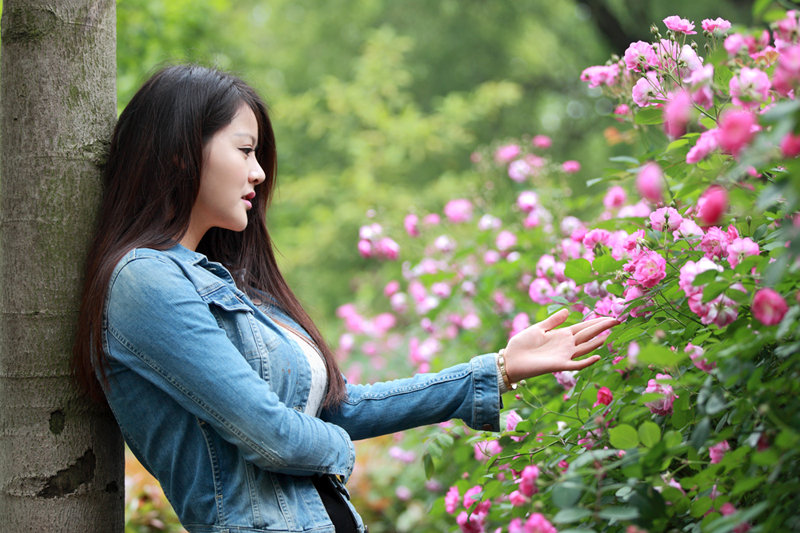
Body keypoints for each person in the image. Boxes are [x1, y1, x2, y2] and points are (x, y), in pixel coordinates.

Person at [72, 64, 617, 533]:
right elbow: (275, 438)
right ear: (178, 155)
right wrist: (341, 452)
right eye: (244, 150)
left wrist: (498, 368)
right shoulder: (145, 283)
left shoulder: (225, 281)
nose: (259, 173)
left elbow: (336, 406)